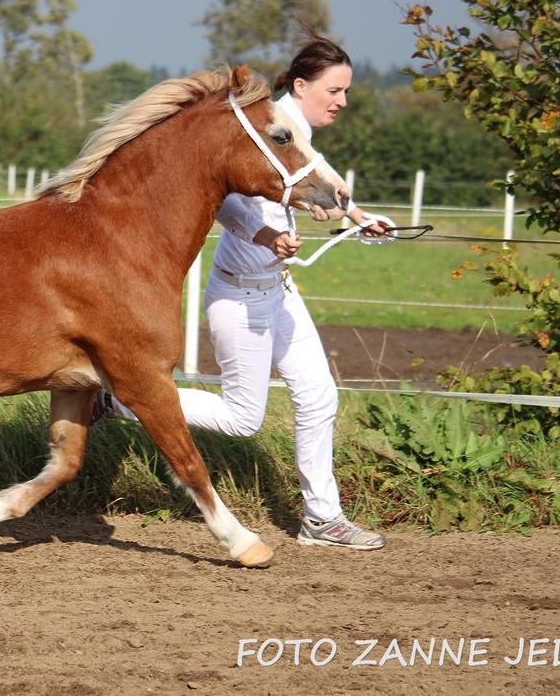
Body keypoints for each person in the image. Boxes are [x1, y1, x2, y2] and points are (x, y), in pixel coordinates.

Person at [98, 35, 389, 550]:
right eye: (335, 90)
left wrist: (363, 219)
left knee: (319, 395)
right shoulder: (259, 126)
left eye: (346, 90)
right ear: (301, 86)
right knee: (241, 419)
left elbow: (326, 182)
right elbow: (226, 206)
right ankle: (120, 400)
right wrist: (269, 235)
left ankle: (323, 518)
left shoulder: (294, 135)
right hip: (240, 297)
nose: (343, 101)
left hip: (279, 290)